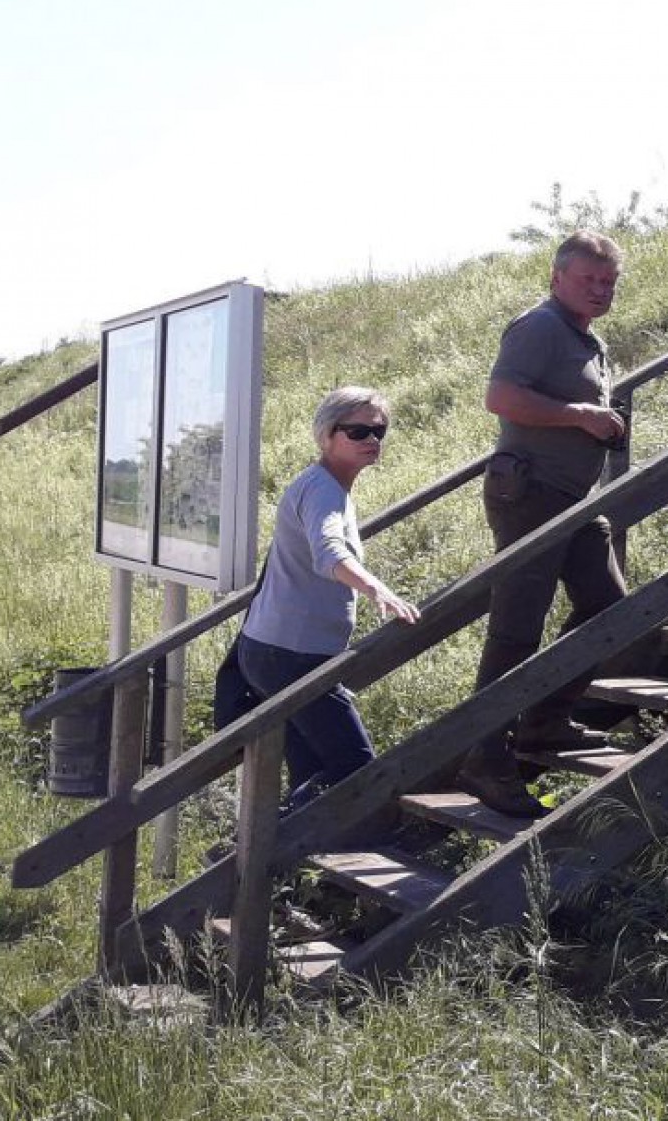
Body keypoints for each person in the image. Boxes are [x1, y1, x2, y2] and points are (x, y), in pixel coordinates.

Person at [456, 229, 631, 818]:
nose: (601, 290)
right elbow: (501, 397)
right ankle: (485, 757)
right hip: (531, 495)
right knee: (515, 631)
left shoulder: (588, 339)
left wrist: (598, 424)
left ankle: (544, 722)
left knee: (607, 605)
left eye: (608, 281)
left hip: (574, 502)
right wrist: (578, 416)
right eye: (589, 280)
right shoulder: (538, 327)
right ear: (558, 278)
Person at [209, 387, 422, 811]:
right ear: (327, 435)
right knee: (354, 766)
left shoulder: (325, 486)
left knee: (310, 772)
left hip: (275, 649)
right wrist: (376, 588)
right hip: (292, 655)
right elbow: (329, 552)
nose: (372, 440)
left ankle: (277, 855)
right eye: (358, 431)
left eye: (379, 430)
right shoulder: (323, 489)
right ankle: (273, 844)